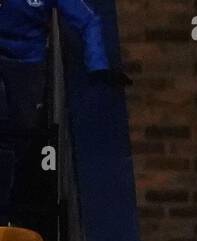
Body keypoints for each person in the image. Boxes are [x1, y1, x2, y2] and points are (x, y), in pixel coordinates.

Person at [0, 0, 122, 227]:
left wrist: (98, 66)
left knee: (20, 139)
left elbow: (88, 20)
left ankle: (10, 214)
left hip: (27, 65)